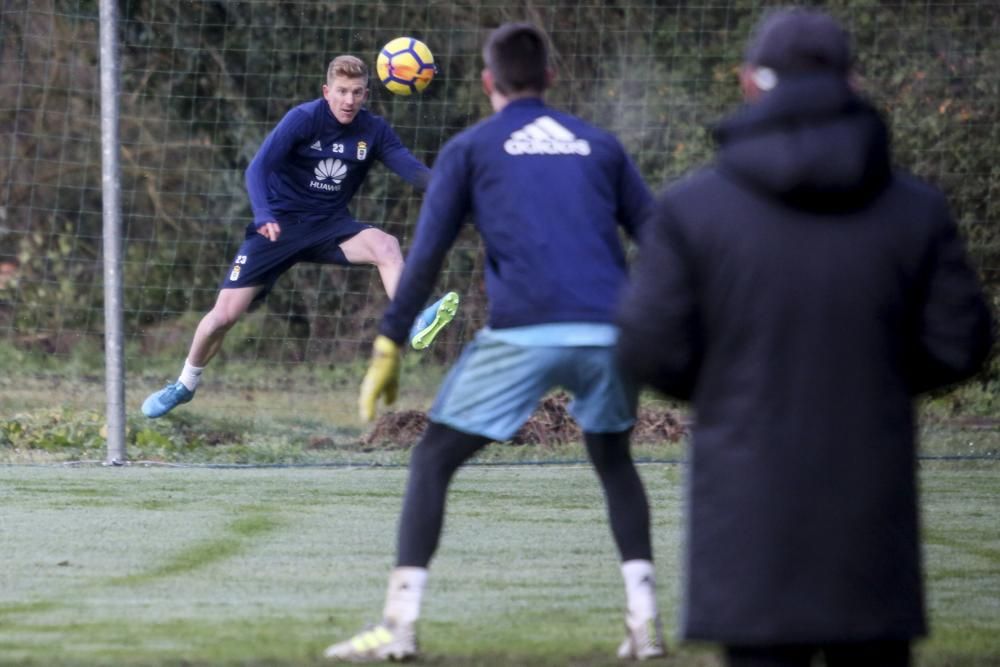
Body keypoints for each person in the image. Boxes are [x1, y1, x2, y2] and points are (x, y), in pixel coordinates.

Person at [615, 8, 994, 667]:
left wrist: (727, 383)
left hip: (748, 512)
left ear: (749, 83)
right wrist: (878, 376)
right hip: (870, 512)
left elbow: (648, 346)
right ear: (854, 81)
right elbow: (963, 340)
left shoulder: (692, 209)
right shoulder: (916, 209)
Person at [323, 23, 666, 662]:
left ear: (488, 84)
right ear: (550, 81)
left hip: (525, 331)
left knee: (431, 463)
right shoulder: (599, 144)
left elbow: (424, 255)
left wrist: (389, 345)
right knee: (614, 462)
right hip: (610, 332)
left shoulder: (472, 148)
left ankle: (398, 630)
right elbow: (661, 236)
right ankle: (645, 625)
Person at [142, 55, 459, 418]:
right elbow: (258, 168)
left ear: (366, 94)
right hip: (277, 228)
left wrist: (452, 189)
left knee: (385, 245)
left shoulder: (374, 130)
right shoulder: (304, 119)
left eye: (356, 93)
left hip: (330, 225)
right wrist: (263, 213)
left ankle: (416, 318)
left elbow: (411, 169)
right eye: (341, 92)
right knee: (222, 318)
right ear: (327, 91)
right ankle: (184, 384)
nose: (348, 101)